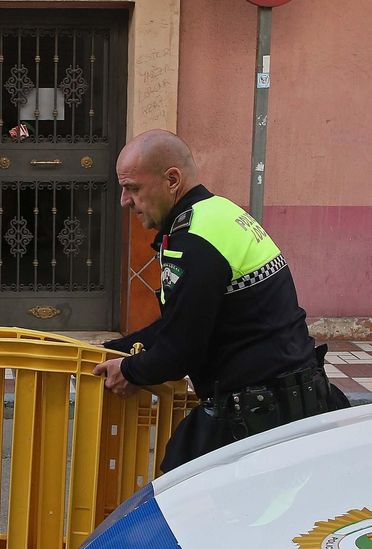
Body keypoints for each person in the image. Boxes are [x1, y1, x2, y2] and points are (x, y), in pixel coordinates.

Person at [91, 130, 346, 473]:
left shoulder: (194, 240)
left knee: (179, 493)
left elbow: (179, 353)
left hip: (258, 419)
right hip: (294, 404)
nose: (125, 201)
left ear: (172, 180)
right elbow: (184, 323)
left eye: (133, 188)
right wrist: (113, 350)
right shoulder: (220, 213)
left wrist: (129, 371)